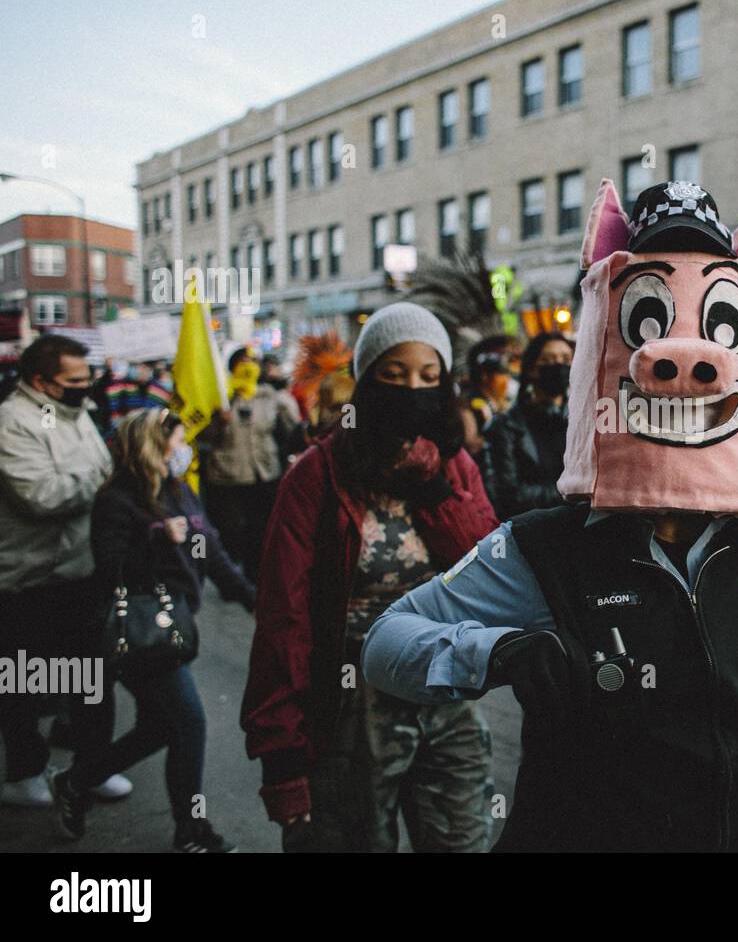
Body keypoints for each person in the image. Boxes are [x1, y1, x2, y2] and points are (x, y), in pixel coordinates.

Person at [362, 177, 738, 852]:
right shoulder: (541, 550)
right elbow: (387, 643)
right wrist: (495, 651)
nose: (686, 363)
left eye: (719, 328)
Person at [241, 302, 499, 853]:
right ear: (365, 382)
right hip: (351, 709)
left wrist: (435, 494)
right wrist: (281, 752)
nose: (413, 389)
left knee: (463, 841)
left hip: (446, 691)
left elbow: (488, 570)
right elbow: (283, 617)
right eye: (394, 373)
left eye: (429, 377)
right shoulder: (316, 476)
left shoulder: (456, 465)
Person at [50, 408, 254, 851]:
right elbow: (111, 570)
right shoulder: (117, 500)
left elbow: (212, 553)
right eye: (179, 442)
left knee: (160, 727)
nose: (184, 451)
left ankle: (75, 781)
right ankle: (191, 830)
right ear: (154, 447)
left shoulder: (181, 491)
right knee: (189, 722)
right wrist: (158, 538)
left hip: (176, 626)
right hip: (139, 633)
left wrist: (256, 600)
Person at [0, 335, 126, 808]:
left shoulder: (78, 414)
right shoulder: (12, 421)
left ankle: (93, 768)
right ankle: (25, 771)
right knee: (27, 683)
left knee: (94, 677)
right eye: (75, 381)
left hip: (84, 569)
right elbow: (41, 495)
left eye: (88, 377)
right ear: (41, 382)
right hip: (30, 579)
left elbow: (99, 465)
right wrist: (105, 481)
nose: (86, 386)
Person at [200, 347, 300, 583]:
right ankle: (230, 574)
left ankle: (255, 574)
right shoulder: (220, 396)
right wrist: (217, 422)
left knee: (262, 528)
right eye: (243, 362)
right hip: (228, 474)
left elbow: (293, 430)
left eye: (253, 362)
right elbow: (201, 436)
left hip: (264, 473)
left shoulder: (270, 396)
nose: (248, 366)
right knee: (231, 529)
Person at [482, 332, 573, 518]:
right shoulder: (505, 426)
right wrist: (573, 491)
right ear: (532, 369)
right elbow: (507, 494)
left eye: (566, 359)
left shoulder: (580, 420)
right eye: (548, 360)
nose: (559, 366)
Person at [458, 336, 515, 463]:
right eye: (501, 373)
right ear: (484, 376)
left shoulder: (504, 403)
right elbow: (471, 445)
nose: (507, 379)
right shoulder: (467, 405)